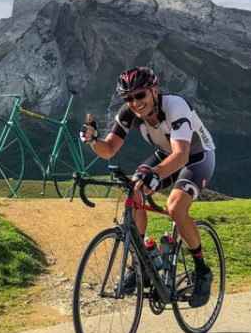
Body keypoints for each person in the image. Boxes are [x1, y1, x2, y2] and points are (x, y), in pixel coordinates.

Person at [79, 66, 216, 307]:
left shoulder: (175, 107)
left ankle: (202, 270)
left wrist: (155, 174)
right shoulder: (129, 112)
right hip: (166, 154)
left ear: (155, 90)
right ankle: (141, 260)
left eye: (140, 95)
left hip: (197, 157)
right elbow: (109, 150)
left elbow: (182, 155)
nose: (134, 102)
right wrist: (93, 141)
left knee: (175, 207)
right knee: (134, 192)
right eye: (128, 98)